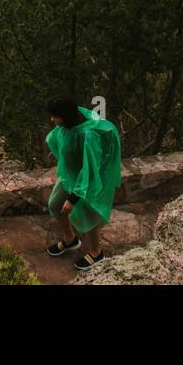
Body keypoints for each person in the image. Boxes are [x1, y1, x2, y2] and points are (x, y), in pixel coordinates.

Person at [44, 98, 122, 271]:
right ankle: (70, 239)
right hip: (70, 176)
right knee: (55, 205)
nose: (52, 120)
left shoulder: (88, 135)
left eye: (55, 117)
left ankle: (96, 252)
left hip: (87, 181)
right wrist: (58, 150)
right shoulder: (70, 122)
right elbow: (61, 136)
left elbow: (89, 170)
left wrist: (73, 198)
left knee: (89, 215)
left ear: (65, 116)